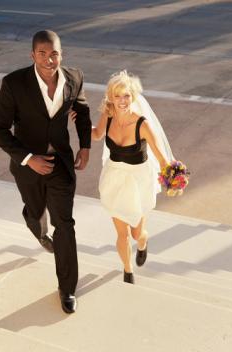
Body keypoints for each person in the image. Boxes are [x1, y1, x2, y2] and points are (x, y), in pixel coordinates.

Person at [0, 30, 91, 313]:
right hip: (28, 167)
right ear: (32, 55)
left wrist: (85, 146)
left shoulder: (74, 78)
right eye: (43, 54)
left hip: (60, 163)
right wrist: (28, 158)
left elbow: (82, 112)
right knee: (35, 212)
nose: (49, 60)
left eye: (54, 53)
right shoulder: (14, 84)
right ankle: (36, 225)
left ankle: (67, 288)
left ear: (62, 54)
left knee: (65, 224)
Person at [70, 71, 173, 284]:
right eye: (118, 96)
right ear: (111, 97)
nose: (123, 101)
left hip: (139, 182)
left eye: (126, 95)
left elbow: (162, 159)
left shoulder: (142, 124)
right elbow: (98, 134)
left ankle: (143, 244)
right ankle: (128, 271)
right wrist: (80, 122)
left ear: (133, 96)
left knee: (137, 234)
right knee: (122, 234)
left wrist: (174, 178)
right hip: (114, 179)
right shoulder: (108, 115)